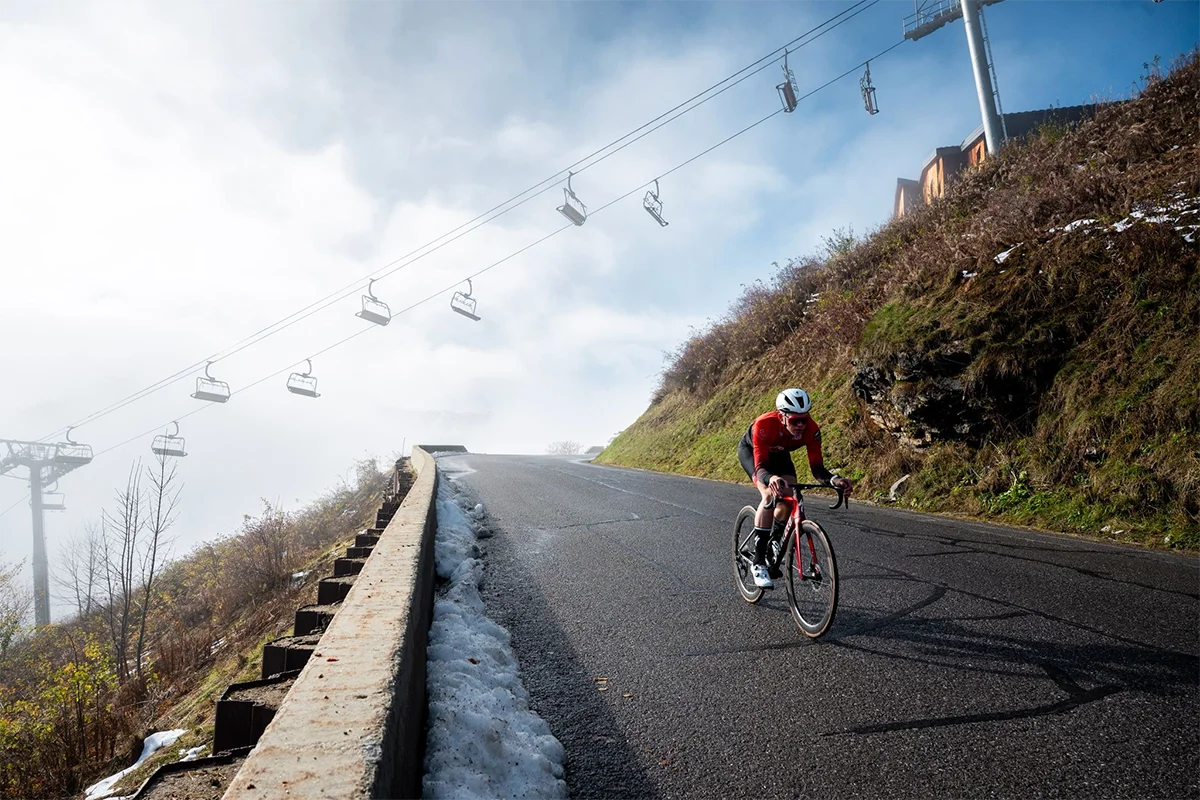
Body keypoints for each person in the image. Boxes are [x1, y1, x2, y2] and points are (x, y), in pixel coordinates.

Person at [737, 388, 853, 588]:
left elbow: (817, 469)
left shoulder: (812, 430)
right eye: (794, 420)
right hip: (755, 454)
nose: (800, 425)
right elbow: (761, 467)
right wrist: (771, 478)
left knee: (789, 499)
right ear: (782, 417)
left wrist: (835, 480)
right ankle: (758, 563)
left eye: (804, 419)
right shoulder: (764, 425)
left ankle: (775, 539)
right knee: (768, 496)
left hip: (781, 455)